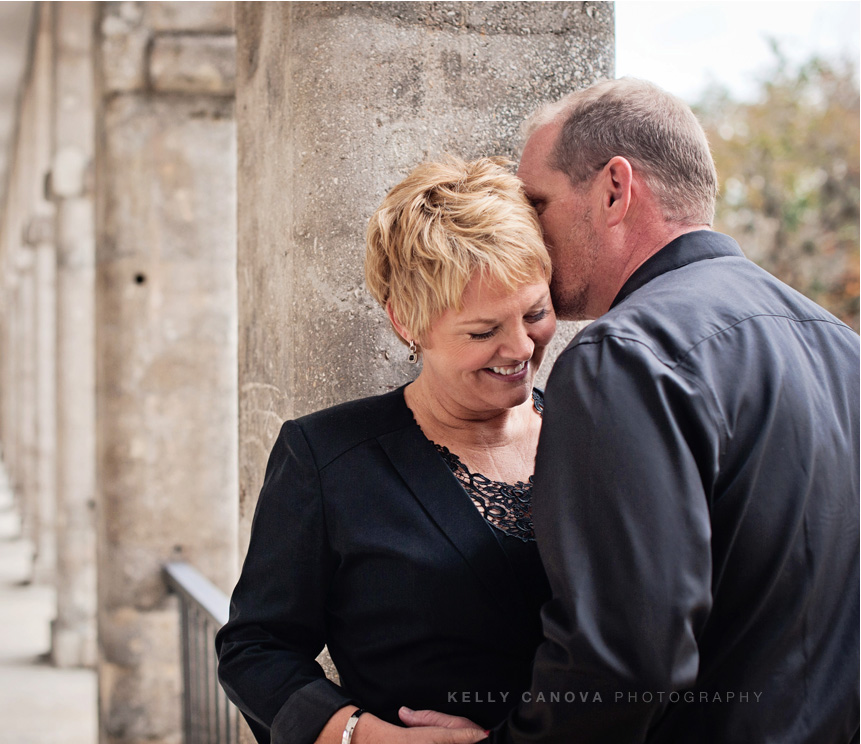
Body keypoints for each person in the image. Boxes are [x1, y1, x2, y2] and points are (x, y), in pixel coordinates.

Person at [402, 78, 860, 742]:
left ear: (614, 189)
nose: (527, 229)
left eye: (537, 202)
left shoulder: (622, 355)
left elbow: (624, 657)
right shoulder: (842, 347)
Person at [216, 157, 559, 744]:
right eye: (482, 332)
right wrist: (362, 736)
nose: (521, 346)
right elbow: (255, 648)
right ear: (407, 323)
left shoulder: (594, 431)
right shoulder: (324, 457)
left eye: (535, 313)